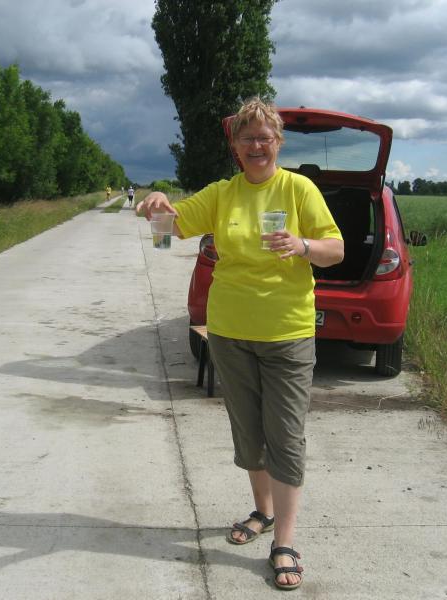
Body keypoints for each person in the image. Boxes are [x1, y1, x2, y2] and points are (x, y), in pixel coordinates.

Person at [138, 97, 343, 591]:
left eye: (265, 137)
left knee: (285, 436)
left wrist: (302, 246)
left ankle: (284, 542)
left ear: (278, 143)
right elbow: (167, 234)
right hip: (229, 333)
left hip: (288, 333)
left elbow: (335, 250)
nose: (257, 145)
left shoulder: (299, 189)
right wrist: (155, 207)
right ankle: (263, 513)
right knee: (248, 434)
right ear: (235, 146)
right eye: (247, 137)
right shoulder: (222, 194)